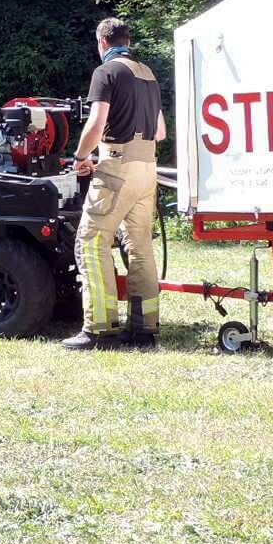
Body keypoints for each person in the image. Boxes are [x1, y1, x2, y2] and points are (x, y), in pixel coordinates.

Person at [63, 17, 166, 351]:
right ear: (128, 39)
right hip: (147, 168)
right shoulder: (148, 74)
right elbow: (161, 131)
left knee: (90, 241)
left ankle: (99, 328)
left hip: (117, 167)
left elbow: (96, 124)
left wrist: (81, 156)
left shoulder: (106, 73)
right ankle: (144, 328)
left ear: (102, 42)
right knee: (139, 245)